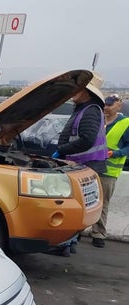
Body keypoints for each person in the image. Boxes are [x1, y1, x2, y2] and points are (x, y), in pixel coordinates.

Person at [48, 73, 108, 256]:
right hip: (82, 166)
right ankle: (68, 243)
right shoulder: (84, 109)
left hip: (86, 166)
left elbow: (87, 139)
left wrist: (62, 150)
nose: (73, 92)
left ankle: (66, 244)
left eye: (78, 89)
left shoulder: (90, 111)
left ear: (87, 93)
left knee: (75, 208)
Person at [97, 94, 129, 247]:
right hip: (89, 166)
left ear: (119, 106)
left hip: (108, 171)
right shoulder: (98, 120)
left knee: (102, 203)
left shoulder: (125, 123)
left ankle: (98, 234)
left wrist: (115, 153)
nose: (106, 107)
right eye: (105, 104)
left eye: (110, 105)